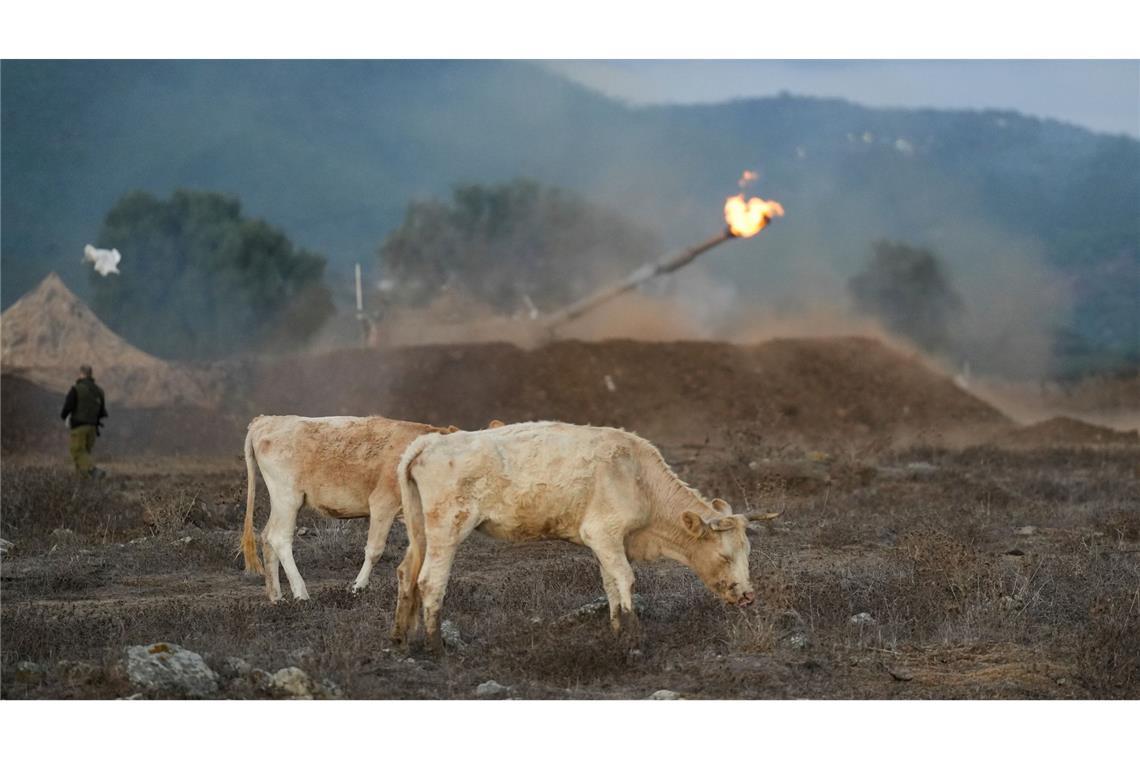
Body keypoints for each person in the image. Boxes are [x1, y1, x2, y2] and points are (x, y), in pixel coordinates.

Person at [60, 365, 107, 478]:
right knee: (85, 453)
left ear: (81, 373)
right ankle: (83, 482)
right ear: (91, 374)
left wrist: (64, 417)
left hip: (79, 426)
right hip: (93, 427)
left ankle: (94, 471)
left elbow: (68, 407)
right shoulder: (99, 391)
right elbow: (102, 411)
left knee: (77, 451)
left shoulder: (76, 389)